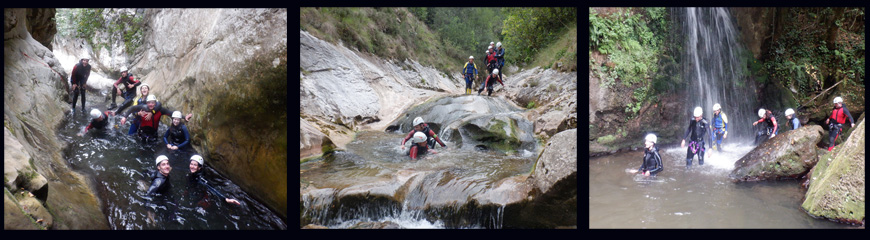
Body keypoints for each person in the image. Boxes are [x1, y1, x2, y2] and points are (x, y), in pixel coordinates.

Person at [120, 95, 192, 142]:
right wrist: (124, 117)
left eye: (152, 103)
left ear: (155, 103)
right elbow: (132, 108)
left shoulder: (160, 110)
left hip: (153, 133)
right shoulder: (143, 108)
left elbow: (172, 113)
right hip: (142, 132)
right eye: (149, 103)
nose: (150, 104)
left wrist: (184, 117)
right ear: (146, 103)